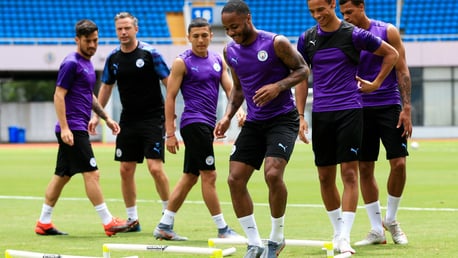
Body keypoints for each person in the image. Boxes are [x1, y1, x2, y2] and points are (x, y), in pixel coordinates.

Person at [295, 0, 399, 254]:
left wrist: (375, 83)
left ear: (332, 4)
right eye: (312, 11)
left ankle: (344, 237)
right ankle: (337, 230)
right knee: (324, 176)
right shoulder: (306, 39)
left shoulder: (354, 34)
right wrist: (299, 115)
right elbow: (301, 75)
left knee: (350, 174)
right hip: (320, 113)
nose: (318, 15)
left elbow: (391, 54)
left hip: (350, 111)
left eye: (322, 9)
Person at [216, 1, 310, 257]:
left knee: (272, 174)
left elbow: (303, 69)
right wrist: (227, 116)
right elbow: (238, 89)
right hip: (255, 123)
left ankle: (276, 237)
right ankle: (255, 242)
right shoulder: (230, 51)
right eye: (227, 28)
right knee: (234, 179)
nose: (232, 32)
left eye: (235, 26)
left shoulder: (275, 43)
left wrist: (278, 87)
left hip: (282, 119)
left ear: (248, 18)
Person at [35, 19, 129, 237]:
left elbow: (89, 96)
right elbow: (59, 95)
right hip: (73, 129)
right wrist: (66, 128)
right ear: (77, 39)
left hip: (75, 127)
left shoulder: (87, 64)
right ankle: (108, 222)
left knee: (62, 175)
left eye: (95, 40)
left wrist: (105, 117)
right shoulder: (71, 63)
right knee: (92, 173)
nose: (93, 45)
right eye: (88, 41)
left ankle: (43, 222)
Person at [153, 17, 242, 241]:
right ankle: (223, 229)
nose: (201, 40)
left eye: (204, 35)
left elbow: (230, 89)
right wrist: (170, 133)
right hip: (194, 123)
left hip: (206, 123)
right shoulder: (182, 62)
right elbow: (170, 97)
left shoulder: (217, 60)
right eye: (196, 36)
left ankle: (164, 225)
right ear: (188, 38)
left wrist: (238, 111)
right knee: (209, 175)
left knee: (190, 177)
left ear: (211, 36)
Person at [89, 12, 171, 233]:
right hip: (129, 120)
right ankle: (132, 220)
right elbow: (106, 87)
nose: (123, 32)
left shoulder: (150, 54)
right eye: (119, 29)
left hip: (153, 118)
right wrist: (97, 115)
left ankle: (167, 217)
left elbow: (169, 83)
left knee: (155, 168)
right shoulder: (113, 58)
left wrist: (171, 115)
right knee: (125, 169)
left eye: (127, 28)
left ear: (136, 29)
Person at [339, 0, 411, 246]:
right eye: (342, 13)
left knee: (399, 163)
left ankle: (390, 220)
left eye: (349, 11)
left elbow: (402, 69)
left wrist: (407, 107)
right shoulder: (344, 37)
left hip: (389, 105)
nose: (346, 17)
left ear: (362, 7)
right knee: (365, 167)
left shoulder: (387, 31)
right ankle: (376, 229)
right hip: (357, 108)